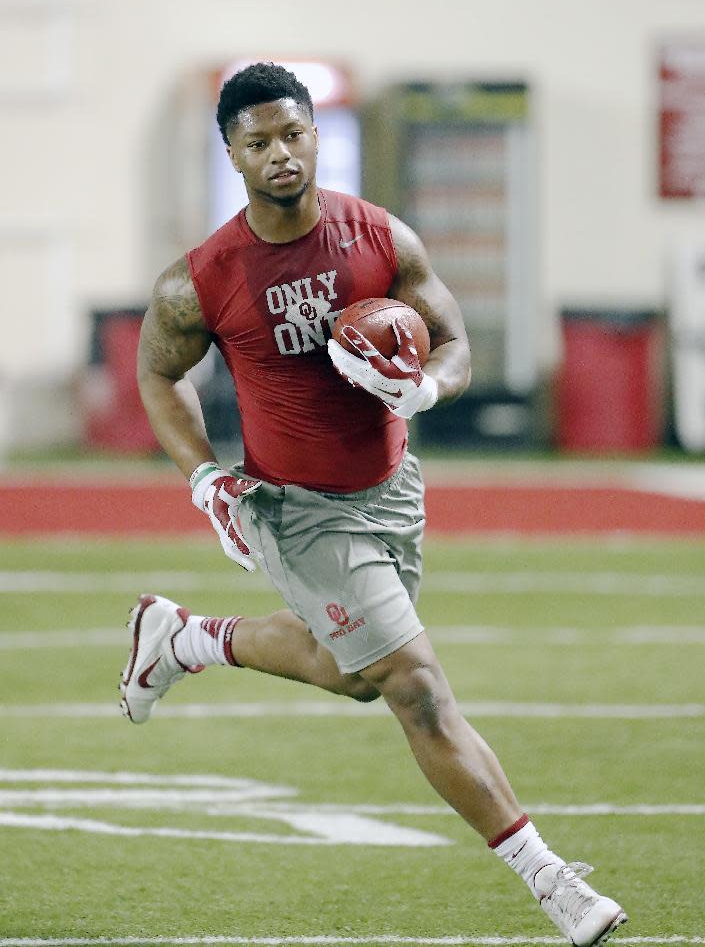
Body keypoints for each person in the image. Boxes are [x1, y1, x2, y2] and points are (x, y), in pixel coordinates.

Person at [120, 61, 627, 945]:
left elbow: (455, 339)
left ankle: (188, 638)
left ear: (315, 134)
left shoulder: (380, 236)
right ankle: (554, 884)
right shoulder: (205, 275)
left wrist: (425, 388)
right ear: (233, 156)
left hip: (391, 492)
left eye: (292, 134)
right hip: (297, 508)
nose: (280, 154)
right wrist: (206, 478)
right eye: (258, 143)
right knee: (416, 688)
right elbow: (158, 373)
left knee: (357, 674)